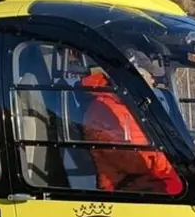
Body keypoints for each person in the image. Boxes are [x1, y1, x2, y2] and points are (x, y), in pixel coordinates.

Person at [79, 67, 184, 195]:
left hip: (150, 178)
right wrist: (169, 165)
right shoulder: (103, 110)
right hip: (124, 186)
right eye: (144, 88)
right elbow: (125, 158)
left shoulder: (133, 107)